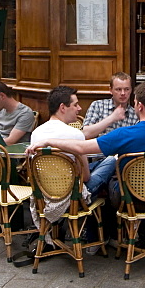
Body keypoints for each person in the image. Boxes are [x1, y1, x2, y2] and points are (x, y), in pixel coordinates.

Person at [29, 82, 145, 210]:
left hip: (128, 199)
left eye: (134, 103)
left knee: (112, 174)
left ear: (140, 106)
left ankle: (114, 234)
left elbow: (81, 147)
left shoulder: (123, 134)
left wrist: (49, 142)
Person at [28, 85, 116, 223]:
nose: (79, 108)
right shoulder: (75, 135)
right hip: (73, 198)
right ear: (63, 107)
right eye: (75, 105)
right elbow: (86, 177)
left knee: (99, 164)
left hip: (45, 196)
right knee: (112, 160)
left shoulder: (36, 133)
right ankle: (101, 228)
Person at [82, 72, 138, 139]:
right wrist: (112, 117)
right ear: (111, 90)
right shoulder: (98, 105)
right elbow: (85, 133)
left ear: (131, 90)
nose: (123, 93)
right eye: (118, 89)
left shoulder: (135, 114)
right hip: (97, 147)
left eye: (127, 89)